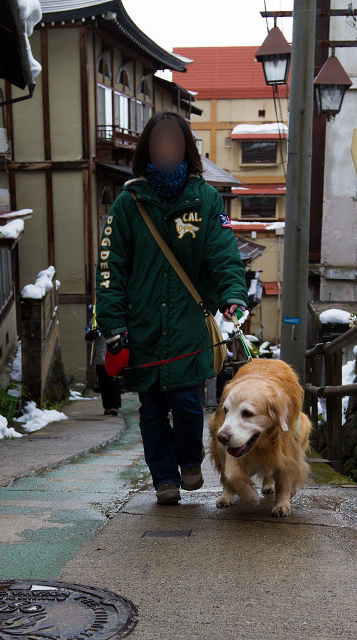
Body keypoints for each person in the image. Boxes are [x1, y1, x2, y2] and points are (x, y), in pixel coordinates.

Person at [96, 111, 248, 505]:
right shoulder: (128, 204)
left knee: (186, 402)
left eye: (174, 143)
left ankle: (188, 460)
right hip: (142, 324)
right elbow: (110, 268)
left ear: (185, 150)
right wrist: (113, 325)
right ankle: (164, 478)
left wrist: (233, 291)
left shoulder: (206, 199)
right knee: (150, 407)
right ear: (148, 148)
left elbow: (223, 253)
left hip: (186, 322)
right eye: (159, 142)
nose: (166, 149)